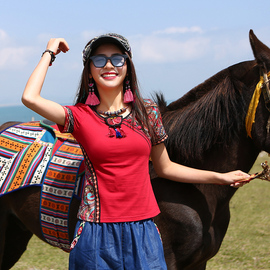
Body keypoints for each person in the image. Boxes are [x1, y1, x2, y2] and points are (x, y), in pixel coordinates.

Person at [22, 33, 250, 270]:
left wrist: (220, 177)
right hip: (95, 233)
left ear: (128, 67)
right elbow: (30, 98)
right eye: (99, 60)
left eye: (117, 59)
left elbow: (165, 167)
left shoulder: (147, 113)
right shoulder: (80, 116)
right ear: (89, 71)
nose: (109, 65)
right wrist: (49, 53)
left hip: (144, 233)